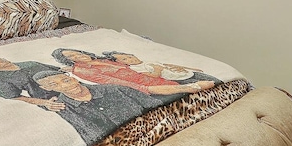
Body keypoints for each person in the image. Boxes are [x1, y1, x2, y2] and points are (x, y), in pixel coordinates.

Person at [33, 69, 164, 146]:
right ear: (47, 88)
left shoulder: (115, 89)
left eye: (66, 80)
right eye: (54, 84)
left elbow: (157, 107)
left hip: (157, 136)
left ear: (73, 78)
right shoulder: (60, 109)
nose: (65, 86)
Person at [51, 48, 215, 97]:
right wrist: (145, 89)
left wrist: (189, 68)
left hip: (158, 77)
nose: (77, 55)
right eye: (71, 56)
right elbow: (115, 82)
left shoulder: (106, 58)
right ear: (70, 61)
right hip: (146, 85)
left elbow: (139, 62)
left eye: (74, 52)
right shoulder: (82, 70)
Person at [0, 56, 65, 111]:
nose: (1, 63)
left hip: (72, 88)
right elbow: (15, 97)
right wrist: (44, 103)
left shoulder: (29, 63)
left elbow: (59, 71)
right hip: (51, 100)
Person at [101, 51, 222, 86]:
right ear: (121, 63)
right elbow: (153, 76)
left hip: (188, 73)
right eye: (125, 60)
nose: (130, 59)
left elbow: (168, 65)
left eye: (129, 56)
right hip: (181, 79)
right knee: (204, 86)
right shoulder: (136, 68)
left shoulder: (147, 60)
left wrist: (190, 68)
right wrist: (157, 69)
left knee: (216, 81)